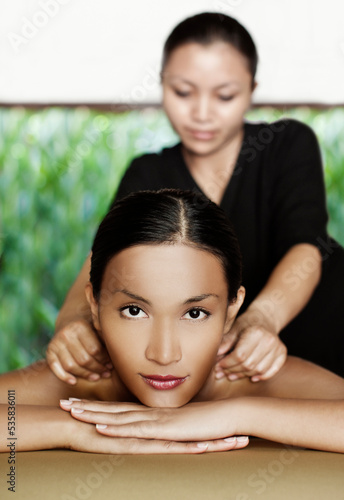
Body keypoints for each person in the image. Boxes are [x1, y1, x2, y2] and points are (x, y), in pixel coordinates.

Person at [46, 12, 344, 386]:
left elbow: (306, 247)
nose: (202, 113)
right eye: (183, 92)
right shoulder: (148, 172)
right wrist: (72, 323)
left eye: (225, 95)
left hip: (323, 337)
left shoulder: (287, 143)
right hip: (223, 376)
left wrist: (261, 318)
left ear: (252, 90)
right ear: (161, 84)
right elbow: (104, 263)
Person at [1, 189, 344, 454]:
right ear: (94, 306)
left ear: (231, 311)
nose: (164, 355)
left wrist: (236, 415)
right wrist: (76, 430)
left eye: (194, 313)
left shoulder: (252, 377)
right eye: (134, 311)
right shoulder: (81, 379)